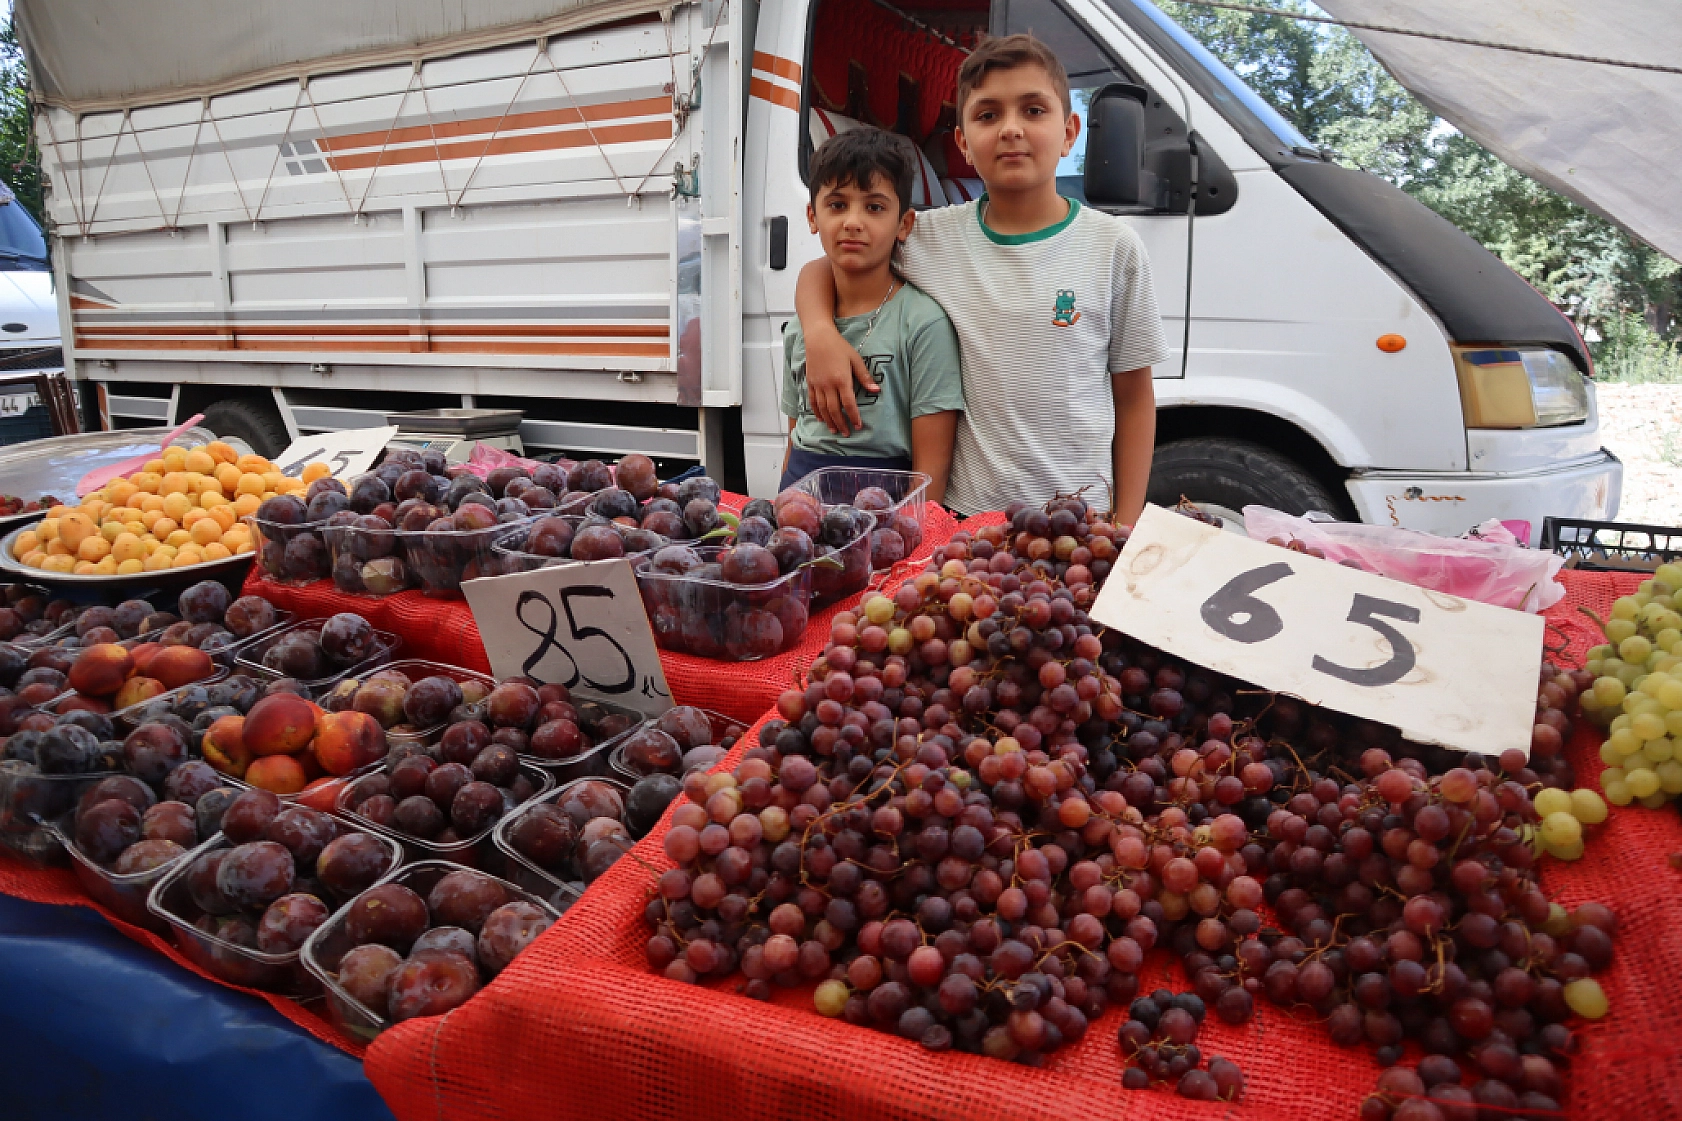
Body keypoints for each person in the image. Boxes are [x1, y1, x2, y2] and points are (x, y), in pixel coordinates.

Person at [794, 34, 1168, 524]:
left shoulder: (1114, 248)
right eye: (988, 115)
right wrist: (819, 332)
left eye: (1033, 110)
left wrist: (1126, 523)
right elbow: (828, 263)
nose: (1011, 129)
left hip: (1082, 521)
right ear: (964, 143)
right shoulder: (931, 236)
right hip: (970, 523)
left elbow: (1135, 397)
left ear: (1070, 131)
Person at [778, 126, 965, 501]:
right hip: (801, 495)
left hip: (883, 504)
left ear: (904, 224)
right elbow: (795, 436)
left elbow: (932, 467)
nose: (852, 222)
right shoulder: (800, 328)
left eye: (875, 207)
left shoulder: (923, 323)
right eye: (837, 205)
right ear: (813, 217)